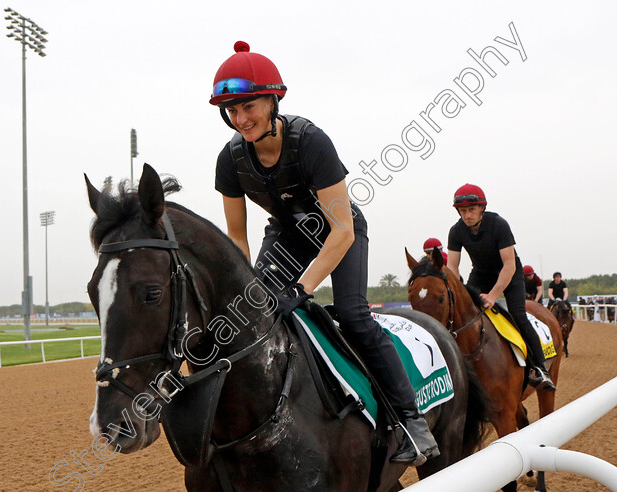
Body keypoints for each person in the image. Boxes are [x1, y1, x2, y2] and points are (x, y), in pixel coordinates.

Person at [210, 41, 438, 466]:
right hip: (286, 237)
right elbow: (237, 240)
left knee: (352, 316)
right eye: (231, 111)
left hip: (338, 231)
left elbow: (342, 230)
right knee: (253, 313)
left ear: (273, 99)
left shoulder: (311, 141)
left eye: (248, 107)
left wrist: (302, 287)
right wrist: (246, 288)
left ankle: (412, 420)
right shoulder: (229, 159)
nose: (240, 120)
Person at [445, 184, 555, 391]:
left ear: (481, 209)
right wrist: (458, 291)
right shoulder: (456, 231)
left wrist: (494, 295)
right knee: (465, 312)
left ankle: (540, 368)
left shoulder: (499, 224)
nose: (467, 215)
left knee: (518, 314)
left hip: (509, 272)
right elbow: (452, 266)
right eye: (462, 211)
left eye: (471, 210)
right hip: (480, 272)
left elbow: (509, 264)